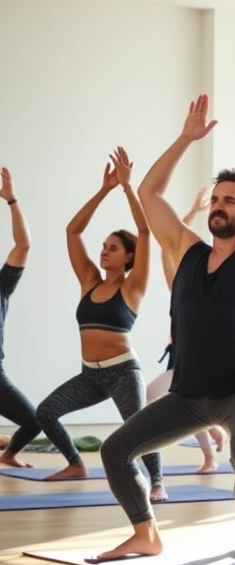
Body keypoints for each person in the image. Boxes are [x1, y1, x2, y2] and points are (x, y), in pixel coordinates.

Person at [96, 85, 235, 561]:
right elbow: (149, 193)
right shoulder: (186, 250)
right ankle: (145, 532)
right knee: (114, 450)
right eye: (215, 198)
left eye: (229, 200)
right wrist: (186, 138)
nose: (218, 205)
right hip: (187, 395)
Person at [35, 148, 164, 497]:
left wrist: (127, 187)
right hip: (90, 375)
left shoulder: (133, 287)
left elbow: (145, 232)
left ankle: (157, 482)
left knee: (138, 428)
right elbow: (72, 231)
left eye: (113, 248)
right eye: (104, 246)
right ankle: (76, 463)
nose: (104, 251)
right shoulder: (89, 281)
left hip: (123, 373)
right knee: (46, 412)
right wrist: (104, 190)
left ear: (129, 256)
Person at [144, 185, 230, 473]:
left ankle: (212, 440)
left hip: (195, 359)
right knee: (183, 403)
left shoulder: (209, 293)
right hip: (177, 355)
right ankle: (211, 445)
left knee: (158, 395)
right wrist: (193, 211)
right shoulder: (177, 287)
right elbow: (165, 247)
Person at [0, 167, 38, 468]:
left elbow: (23, 244)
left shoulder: (2, 285)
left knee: (34, 421)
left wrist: (12, 200)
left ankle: (8, 453)